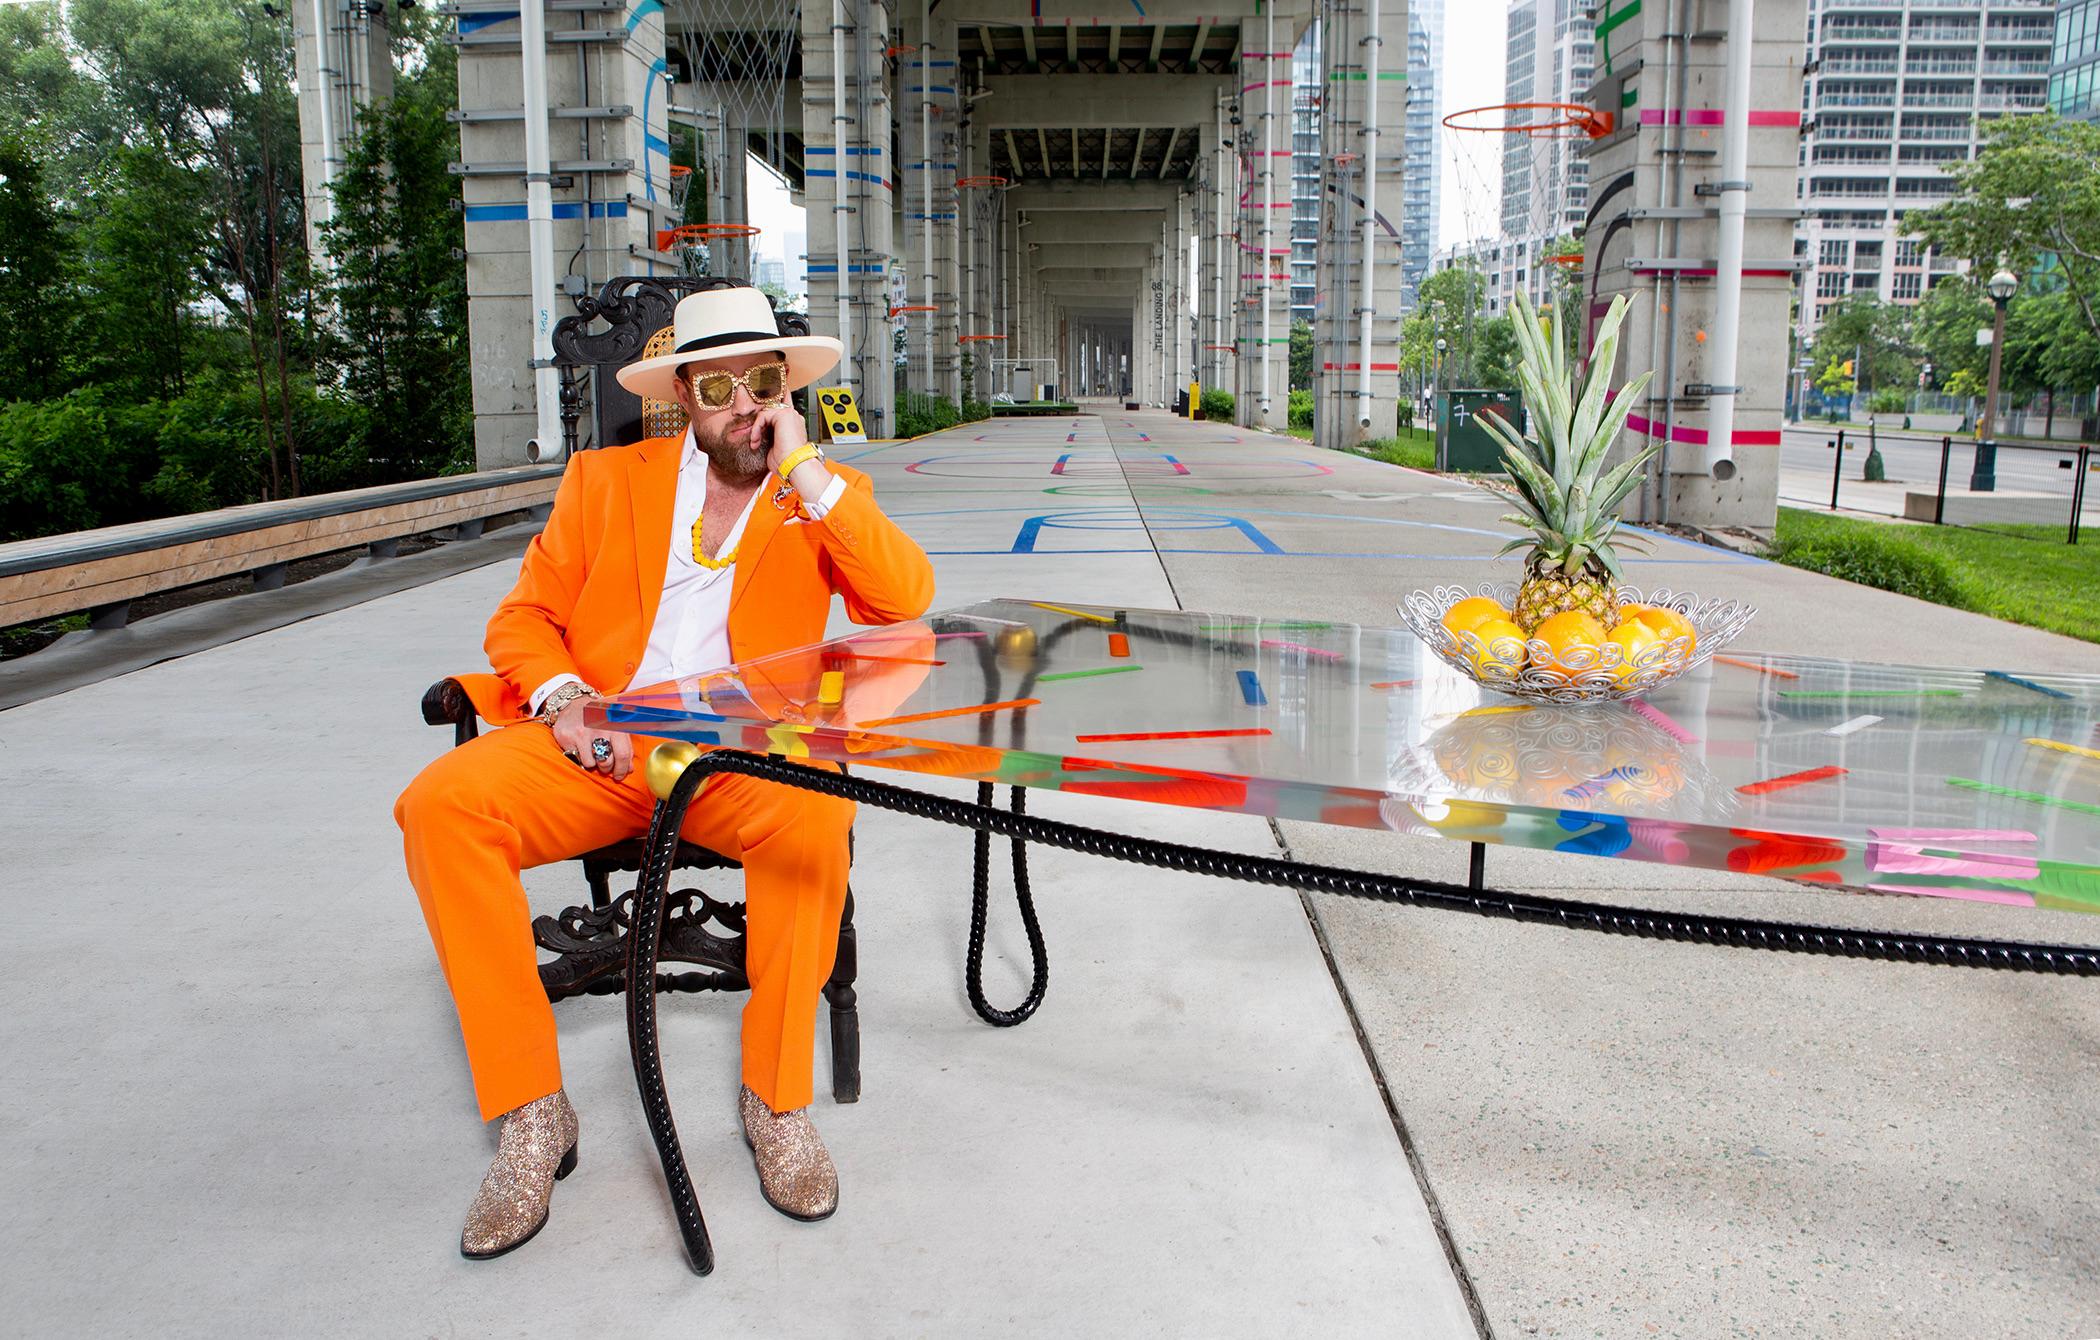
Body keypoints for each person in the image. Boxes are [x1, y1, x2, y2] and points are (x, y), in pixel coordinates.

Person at [394, 286, 936, 1259]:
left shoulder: (818, 497)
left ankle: (776, 1099)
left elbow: (905, 601)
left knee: (815, 814)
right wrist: (564, 700)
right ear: (683, 393)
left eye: (760, 382)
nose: (740, 403)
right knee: (441, 805)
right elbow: (524, 617)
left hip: (739, 753)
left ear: (785, 388)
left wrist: (805, 472)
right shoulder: (605, 481)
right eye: (717, 384)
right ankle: (530, 1110)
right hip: (600, 739)